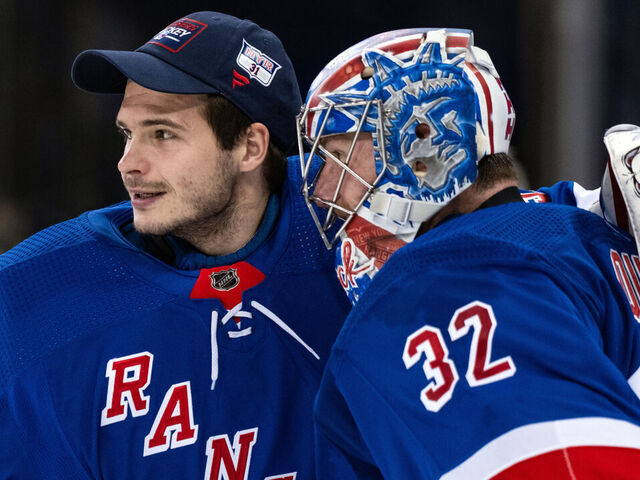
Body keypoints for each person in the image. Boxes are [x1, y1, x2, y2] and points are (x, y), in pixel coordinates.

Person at [0, 11, 350, 479]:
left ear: (250, 147)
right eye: (127, 133)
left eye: (162, 134)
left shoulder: (354, 230)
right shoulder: (32, 294)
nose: (128, 165)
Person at [296, 28, 640, 478]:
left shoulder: (440, 278)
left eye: (340, 154)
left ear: (423, 148)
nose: (322, 191)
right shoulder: (591, 228)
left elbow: (567, 464)